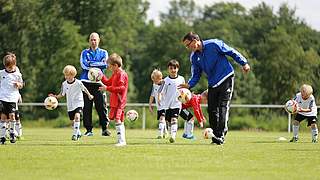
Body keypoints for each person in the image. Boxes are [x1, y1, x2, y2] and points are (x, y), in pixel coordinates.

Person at [180, 32, 250, 145]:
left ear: (195, 40)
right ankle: (216, 135)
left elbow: (231, 51)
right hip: (212, 83)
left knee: (223, 107)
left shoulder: (214, 44)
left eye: (188, 44)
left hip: (226, 77)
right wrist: (189, 85)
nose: (188, 48)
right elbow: (196, 74)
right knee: (211, 110)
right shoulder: (194, 57)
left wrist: (244, 63)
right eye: (186, 46)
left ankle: (220, 135)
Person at [49, 65, 94, 141]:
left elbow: (84, 89)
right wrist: (55, 96)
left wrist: (89, 95)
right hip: (70, 105)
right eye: (65, 75)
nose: (66, 77)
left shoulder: (78, 83)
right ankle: (78, 132)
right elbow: (62, 94)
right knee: (73, 122)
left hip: (78, 103)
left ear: (73, 75)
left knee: (77, 116)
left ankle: (75, 135)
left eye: (68, 75)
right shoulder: (64, 84)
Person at [80, 32, 111, 136]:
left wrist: (91, 63)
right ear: (89, 41)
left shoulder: (104, 52)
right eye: (91, 40)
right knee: (87, 107)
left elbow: (105, 65)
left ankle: (104, 129)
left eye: (95, 40)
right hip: (86, 83)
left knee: (101, 106)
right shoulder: (84, 52)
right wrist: (98, 64)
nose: (93, 42)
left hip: (99, 83)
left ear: (99, 40)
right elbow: (84, 65)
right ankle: (89, 130)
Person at [99, 53, 128, 146]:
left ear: (115, 65)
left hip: (120, 101)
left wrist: (107, 89)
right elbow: (107, 82)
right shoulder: (115, 74)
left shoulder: (121, 74)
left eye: (110, 66)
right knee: (119, 119)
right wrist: (100, 75)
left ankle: (121, 141)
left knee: (117, 119)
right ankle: (122, 141)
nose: (109, 68)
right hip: (115, 101)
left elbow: (121, 88)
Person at [158, 59, 185, 143]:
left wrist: (185, 96)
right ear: (168, 69)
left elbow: (184, 90)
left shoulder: (181, 79)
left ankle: (173, 136)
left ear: (178, 69)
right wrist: (159, 98)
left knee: (174, 120)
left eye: (175, 68)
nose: (173, 70)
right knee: (169, 122)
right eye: (171, 68)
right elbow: (160, 91)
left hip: (177, 104)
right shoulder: (165, 81)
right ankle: (170, 134)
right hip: (167, 105)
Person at [0, 52, 24, 144]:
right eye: (7, 67)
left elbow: (22, 84)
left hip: (12, 99)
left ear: (14, 65)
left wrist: (19, 85)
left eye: (11, 67)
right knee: (3, 117)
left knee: (12, 116)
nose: (9, 69)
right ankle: (2, 137)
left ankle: (12, 133)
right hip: (2, 98)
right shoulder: (1, 73)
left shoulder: (17, 75)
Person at [149, 69, 168, 139]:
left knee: (162, 118)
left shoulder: (164, 83)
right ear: (153, 79)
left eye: (160, 78)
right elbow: (152, 96)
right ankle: (165, 132)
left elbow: (161, 92)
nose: (159, 80)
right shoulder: (154, 85)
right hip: (159, 107)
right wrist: (150, 105)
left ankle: (160, 134)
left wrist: (160, 98)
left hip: (165, 105)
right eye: (157, 78)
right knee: (163, 120)